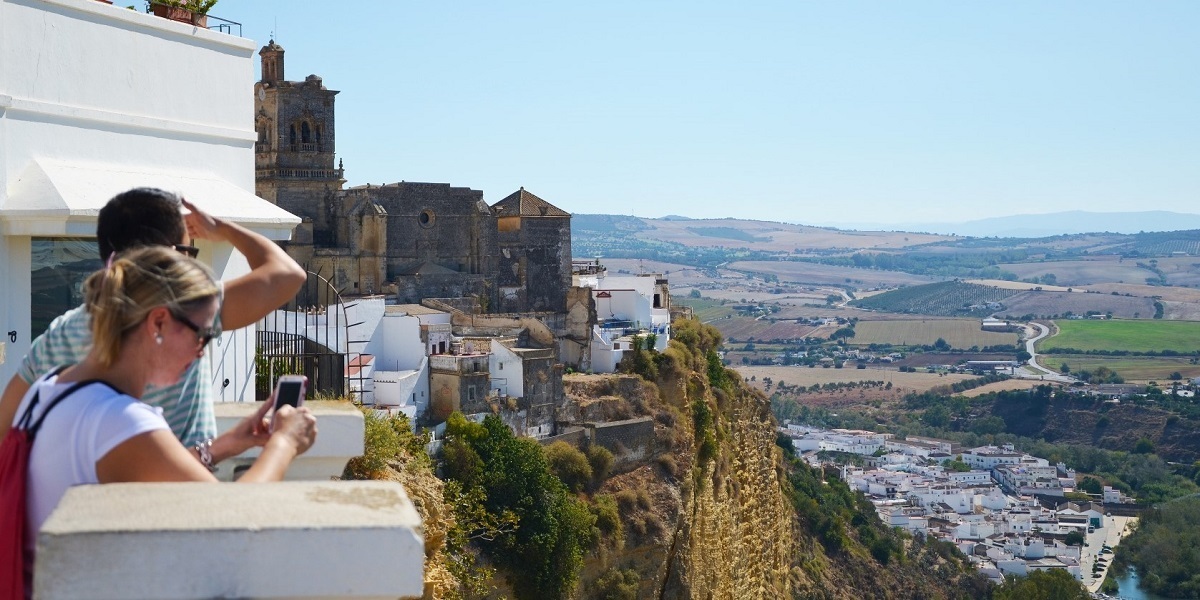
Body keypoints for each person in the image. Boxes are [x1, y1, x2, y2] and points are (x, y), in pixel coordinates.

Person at [13, 246, 317, 566]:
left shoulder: (48, 388)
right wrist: (285, 442)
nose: (202, 352)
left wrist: (226, 445)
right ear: (158, 322)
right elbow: (236, 523)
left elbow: (138, 465)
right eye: (202, 335)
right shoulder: (119, 420)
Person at [0, 188, 307, 466]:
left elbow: (5, 429)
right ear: (167, 257)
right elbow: (288, 274)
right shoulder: (186, 317)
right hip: (173, 496)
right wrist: (223, 229)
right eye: (187, 252)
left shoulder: (59, 334)